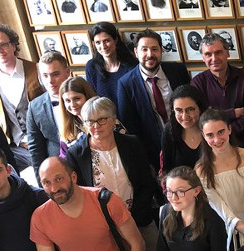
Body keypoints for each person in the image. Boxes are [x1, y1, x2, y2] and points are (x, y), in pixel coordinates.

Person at [66, 97, 159, 251]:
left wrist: (130, 218)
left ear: (114, 120)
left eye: (101, 120)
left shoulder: (132, 143)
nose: (96, 126)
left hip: (140, 218)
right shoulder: (76, 155)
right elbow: (80, 195)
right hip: (104, 228)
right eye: (90, 121)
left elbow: (146, 183)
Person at [116, 29, 191, 168]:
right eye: (144, 49)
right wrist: (144, 160)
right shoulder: (125, 84)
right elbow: (130, 127)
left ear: (161, 50)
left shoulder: (178, 71)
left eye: (154, 49)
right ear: (136, 52)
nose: (150, 54)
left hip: (187, 142)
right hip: (153, 152)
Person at [196, 108, 244, 248]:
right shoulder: (201, 169)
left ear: (229, 129)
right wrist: (243, 228)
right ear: (203, 136)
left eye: (221, 132)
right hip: (225, 231)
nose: (217, 140)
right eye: (210, 135)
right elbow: (219, 207)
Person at [154, 168, 229, 251]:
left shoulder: (213, 222)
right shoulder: (166, 212)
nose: (174, 198)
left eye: (180, 191)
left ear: (196, 191)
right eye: (169, 191)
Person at [0, 23, 43, 173]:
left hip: (43, 141)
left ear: (13, 46)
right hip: (15, 149)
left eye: (3, 45)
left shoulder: (37, 70)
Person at [192, 33, 244, 153]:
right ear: (203, 58)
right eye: (208, 54)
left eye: (218, 52)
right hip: (214, 150)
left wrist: (219, 131)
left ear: (227, 53)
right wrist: (233, 113)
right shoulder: (198, 83)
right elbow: (201, 119)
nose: (214, 59)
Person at [26, 52, 72, 173]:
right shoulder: (34, 107)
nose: (50, 81)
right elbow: (35, 150)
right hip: (58, 170)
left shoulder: (84, 96)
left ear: (67, 72)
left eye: (55, 74)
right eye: (45, 76)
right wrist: (42, 180)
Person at [85, 22, 138, 106]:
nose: (103, 46)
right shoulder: (91, 67)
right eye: (98, 42)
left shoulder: (133, 67)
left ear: (115, 40)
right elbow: (92, 99)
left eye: (106, 41)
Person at [161, 85, 207, 173]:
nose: (184, 116)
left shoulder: (211, 127)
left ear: (200, 108)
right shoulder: (169, 131)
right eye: (179, 110)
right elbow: (167, 170)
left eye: (190, 109)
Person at [57, 76, 98, 151]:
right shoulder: (67, 130)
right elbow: (63, 156)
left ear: (87, 97)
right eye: (67, 101)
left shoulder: (105, 119)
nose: (72, 104)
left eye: (76, 99)